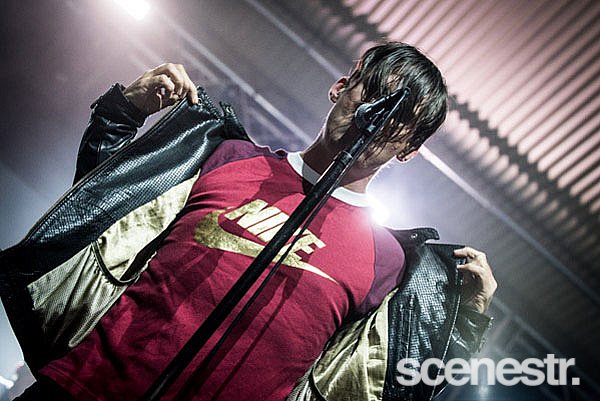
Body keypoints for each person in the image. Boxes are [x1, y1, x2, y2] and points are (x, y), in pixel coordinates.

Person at [7, 42, 496, 401]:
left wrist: (465, 324)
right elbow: (95, 217)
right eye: (374, 92)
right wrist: (122, 112)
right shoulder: (228, 156)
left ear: (409, 149)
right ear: (341, 87)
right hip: (79, 390)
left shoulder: (387, 262)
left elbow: (396, 385)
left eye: (402, 116)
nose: (379, 116)